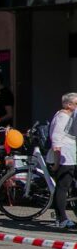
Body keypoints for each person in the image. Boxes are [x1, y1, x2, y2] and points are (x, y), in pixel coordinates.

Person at [48, 92, 77, 229]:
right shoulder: (62, 117)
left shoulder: (70, 116)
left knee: (71, 186)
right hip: (65, 156)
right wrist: (57, 161)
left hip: (71, 155)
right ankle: (62, 219)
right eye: (76, 103)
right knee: (62, 186)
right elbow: (56, 138)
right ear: (68, 105)